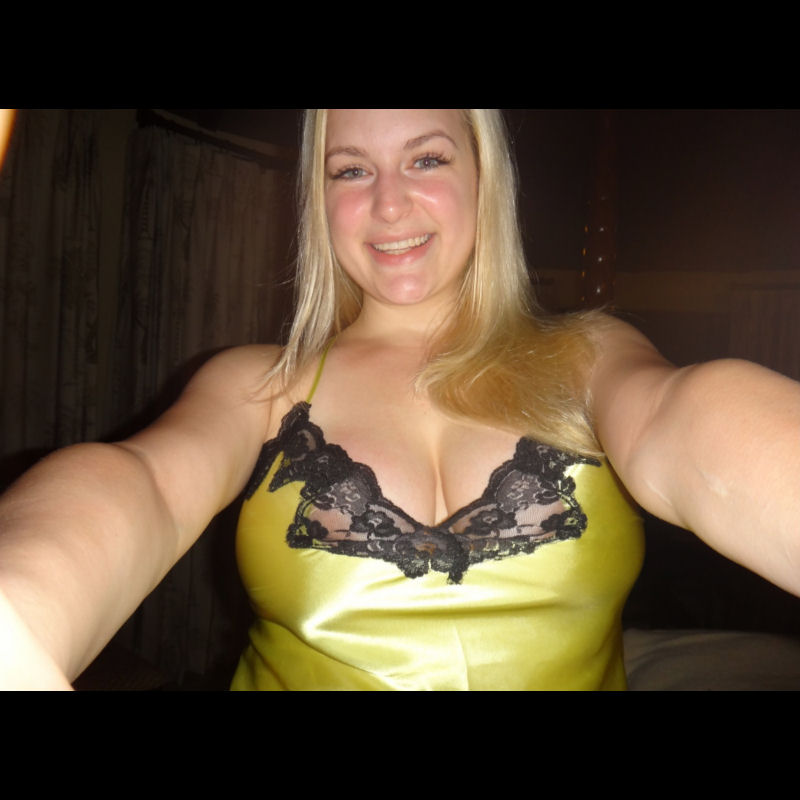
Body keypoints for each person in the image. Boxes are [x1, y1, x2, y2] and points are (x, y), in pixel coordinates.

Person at [1, 109, 798, 690]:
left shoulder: (590, 357)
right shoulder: (263, 385)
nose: (389, 205)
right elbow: (143, 483)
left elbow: (681, 417)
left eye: (426, 159)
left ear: (484, 177)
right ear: (319, 199)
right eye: (351, 170)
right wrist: (20, 613)